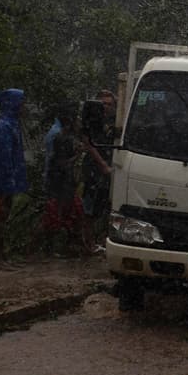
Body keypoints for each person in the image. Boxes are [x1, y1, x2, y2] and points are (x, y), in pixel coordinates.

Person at [0, 88, 28, 269]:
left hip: (10, 176)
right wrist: (8, 178)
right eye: (21, 102)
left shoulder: (12, 124)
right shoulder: (4, 126)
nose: (24, 107)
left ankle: (3, 255)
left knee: (5, 214)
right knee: (0, 215)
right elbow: (4, 156)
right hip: (2, 177)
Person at [35, 105, 84, 256]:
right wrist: (79, 154)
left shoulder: (61, 135)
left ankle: (64, 247)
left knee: (63, 214)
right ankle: (41, 249)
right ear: (70, 121)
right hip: (60, 183)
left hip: (60, 181)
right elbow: (61, 163)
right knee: (56, 215)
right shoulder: (62, 137)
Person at [80, 90, 115, 254]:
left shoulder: (114, 122)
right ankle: (89, 244)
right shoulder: (91, 122)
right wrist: (103, 166)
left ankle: (103, 241)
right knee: (90, 208)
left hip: (109, 168)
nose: (106, 107)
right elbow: (89, 145)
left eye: (109, 104)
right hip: (94, 169)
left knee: (106, 206)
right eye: (103, 104)